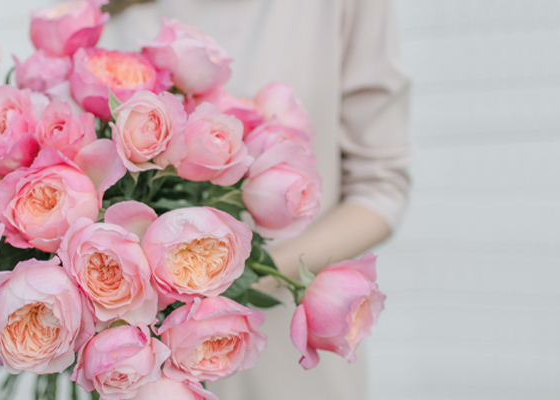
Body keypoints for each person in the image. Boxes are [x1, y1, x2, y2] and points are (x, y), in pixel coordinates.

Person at [102, 0, 412, 398]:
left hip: (287, 366)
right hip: (138, 373)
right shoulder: (102, 12)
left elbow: (380, 188)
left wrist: (233, 279)